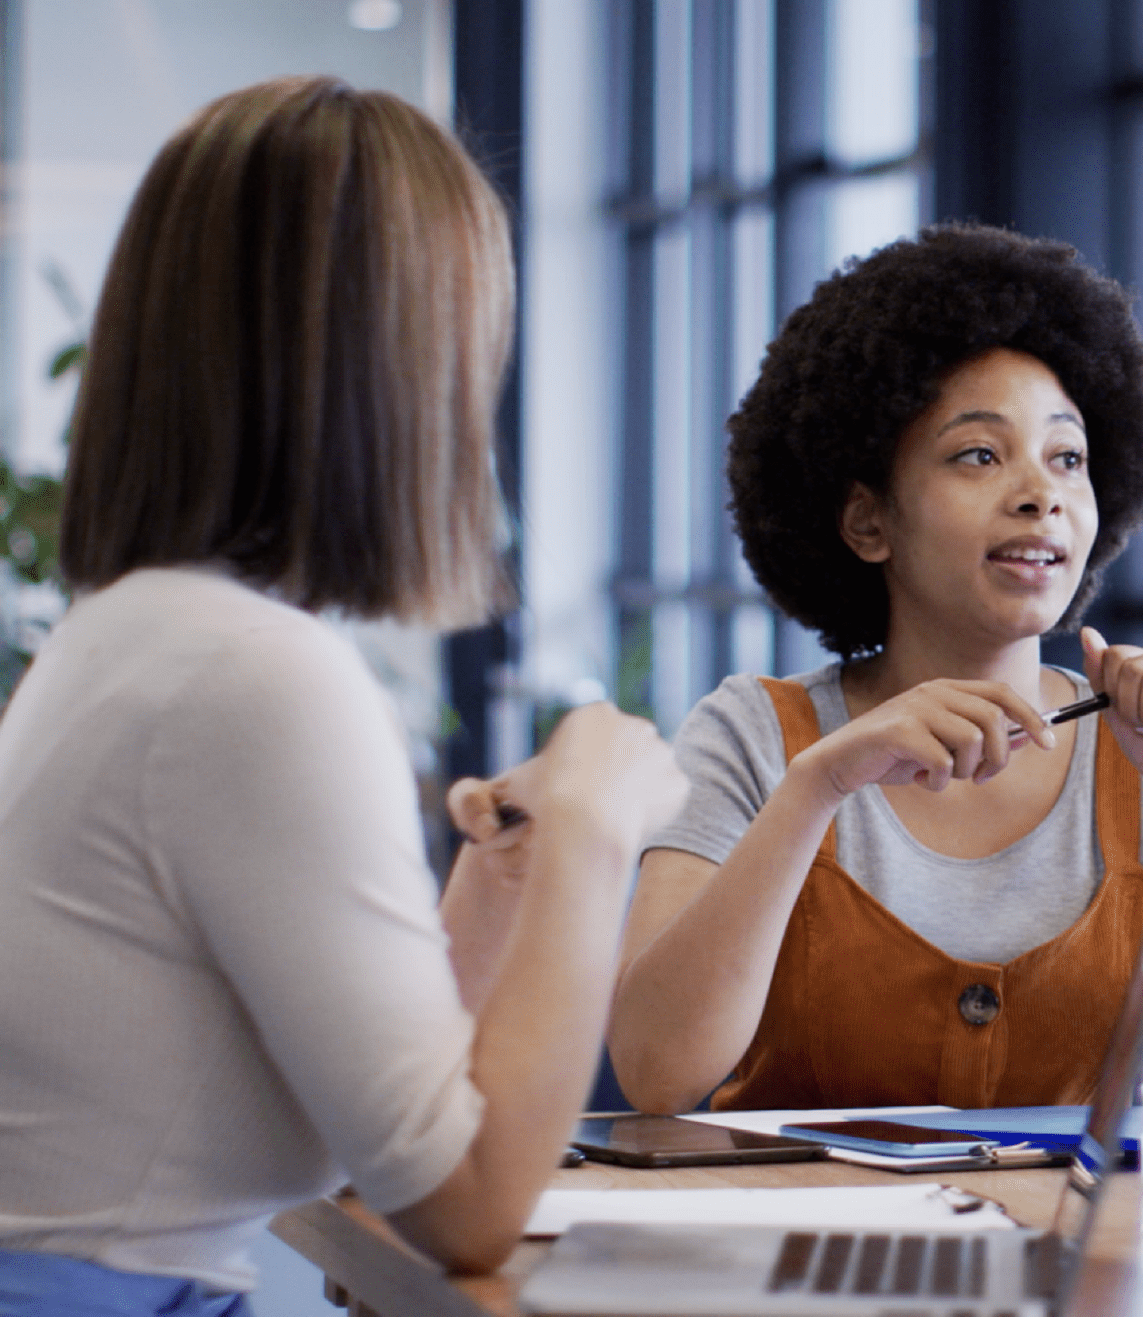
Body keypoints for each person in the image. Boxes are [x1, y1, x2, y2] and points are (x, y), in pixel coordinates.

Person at [0, 77, 687, 1313]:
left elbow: (392, 1109)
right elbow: (468, 1208)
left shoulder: (141, 633)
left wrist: (507, 885)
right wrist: (595, 830)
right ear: (400, 369)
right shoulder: (253, 674)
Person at [608, 224, 1143, 1116]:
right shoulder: (755, 739)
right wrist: (820, 786)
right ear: (868, 523)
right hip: (802, 1247)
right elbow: (655, 1070)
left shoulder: (1142, 757)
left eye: (1067, 456)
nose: (1043, 491)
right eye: (979, 455)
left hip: (1071, 1251)